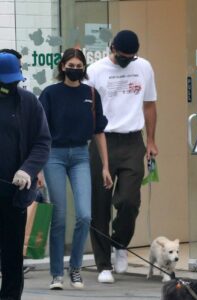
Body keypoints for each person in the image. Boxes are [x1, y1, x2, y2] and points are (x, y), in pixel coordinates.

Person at [86, 29, 158, 283]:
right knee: (100, 204)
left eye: (132, 56)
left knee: (129, 201)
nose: (128, 60)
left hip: (132, 140)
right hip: (102, 139)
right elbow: (90, 108)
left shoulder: (144, 67)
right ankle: (103, 264)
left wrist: (150, 140)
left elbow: (149, 104)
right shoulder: (95, 71)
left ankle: (119, 244)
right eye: (124, 56)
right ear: (112, 48)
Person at [39, 48, 113, 290]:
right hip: (54, 156)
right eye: (71, 64)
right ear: (62, 67)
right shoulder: (50, 94)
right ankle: (57, 274)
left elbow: (99, 131)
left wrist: (105, 166)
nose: (75, 69)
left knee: (84, 215)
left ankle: (76, 269)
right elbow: (39, 133)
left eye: (79, 65)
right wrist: (37, 169)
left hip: (81, 154)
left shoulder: (91, 93)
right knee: (59, 217)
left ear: (84, 68)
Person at [0, 52, 51, 300]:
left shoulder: (29, 102)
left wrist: (28, 169)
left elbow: (42, 142)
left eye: (12, 82)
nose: (8, 87)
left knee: (11, 256)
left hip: (14, 194)